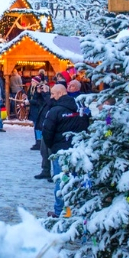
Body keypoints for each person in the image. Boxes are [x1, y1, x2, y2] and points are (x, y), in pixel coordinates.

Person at [42, 82, 90, 217]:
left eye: (52, 94)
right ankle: (76, 210)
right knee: (76, 180)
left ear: (60, 93)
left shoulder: (55, 111)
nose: (51, 97)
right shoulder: (79, 108)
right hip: (78, 149)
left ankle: (60, 212)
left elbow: (47, 132)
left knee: (61, 181)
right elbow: (86, 124)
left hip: (60, 150)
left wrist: (53, 146)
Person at [31, 82, 53, 180]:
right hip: (44, 126)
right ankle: (45, 171)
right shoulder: (45, 97)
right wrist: (38, 93)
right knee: (43, 151)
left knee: (51, 151)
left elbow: (50, 104)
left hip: (52, 127)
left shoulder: (54, 98)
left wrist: (46, 93)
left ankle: (56, 173)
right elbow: (38, 102)